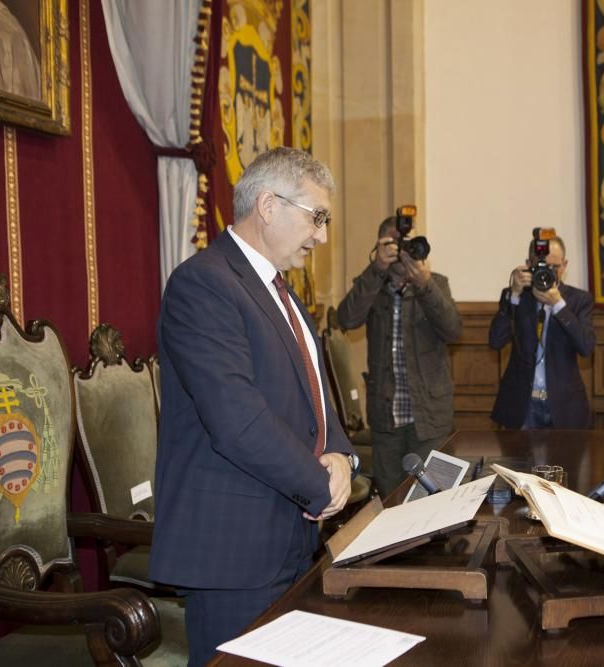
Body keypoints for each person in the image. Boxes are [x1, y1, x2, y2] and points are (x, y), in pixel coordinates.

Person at [150, 147, 358, 666]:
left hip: (292, 535)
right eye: (317, 218)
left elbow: (316, 398)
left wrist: (341, 459)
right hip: (233, 551)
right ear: (268, 204)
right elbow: (237, 421)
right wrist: (320, 485)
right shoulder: (204, 283)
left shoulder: (281, 292)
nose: (322, 236)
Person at [336, 216, 461, 496]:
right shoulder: (372, 286)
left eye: (410, 242)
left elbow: (453, 331)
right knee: (391, 504)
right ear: (380, 246)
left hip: (430, 420)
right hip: (386, 419)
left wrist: (425, 284)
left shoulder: (436, 283)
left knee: (433, 505)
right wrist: (376, 268)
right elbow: (346, 318)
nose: (404, 250)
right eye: (396, 243)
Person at [489, 234, 595, 429]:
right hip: (522, 405)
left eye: (555, 267)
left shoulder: (579, 300)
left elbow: (586, 347)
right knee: (517, 460)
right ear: (529, 264)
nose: (550, 273)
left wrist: (559, 306)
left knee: (566, 460)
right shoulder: (516, 295)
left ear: (565, 265)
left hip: (564, 406)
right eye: (543, 267)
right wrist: (513, 296)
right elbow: (496, 341)